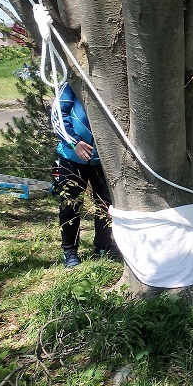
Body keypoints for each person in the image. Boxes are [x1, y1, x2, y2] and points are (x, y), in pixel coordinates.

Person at [52, 82, 115, 268]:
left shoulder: (111, 79)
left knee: (106, 204)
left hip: (103, 160)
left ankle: (103, 246)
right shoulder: (72, 82)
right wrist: (75, 142)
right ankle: (70, 252)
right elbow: (58, 115)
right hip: (72, 157)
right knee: (70, 205)